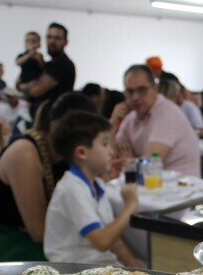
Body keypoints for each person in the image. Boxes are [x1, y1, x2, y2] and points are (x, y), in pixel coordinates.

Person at [0, 92, 97, 262]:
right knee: (80, 260)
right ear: (55, 126)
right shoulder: (24, 153)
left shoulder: (61, 154)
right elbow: (38, 231)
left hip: (25, 233)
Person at [44, 110, 140, 267]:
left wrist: (140, 271)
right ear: (82, 152)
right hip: (74, 271)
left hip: (96, 265)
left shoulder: (96, 185)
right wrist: (130, 206)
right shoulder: (72, 188)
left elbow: (114, 241)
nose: (111, 151)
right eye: (104, 144)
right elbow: (102, 242)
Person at [115, 64, 200, 176]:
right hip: (152, 188)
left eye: (142, 90)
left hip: (182, 188)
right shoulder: (132, 117)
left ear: (155, 89)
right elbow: (109, 160)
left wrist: (129, 162)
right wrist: (113, 122)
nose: (135, 97)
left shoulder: (167, 112)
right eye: (130, 91)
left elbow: (149, 164)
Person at [19, 22, 76, 113]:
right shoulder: (48, 64)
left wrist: (21, 86)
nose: (52, 41)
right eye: (49, 37)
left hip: (52, 120)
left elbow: (36, 90)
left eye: (57, 38)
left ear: (65, 42)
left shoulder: (63, 64)